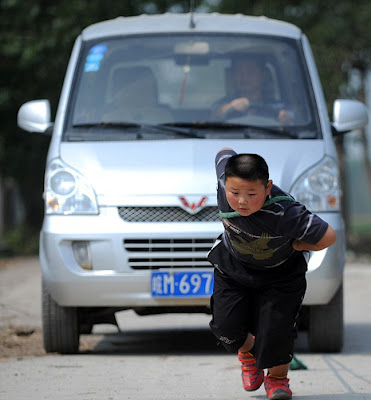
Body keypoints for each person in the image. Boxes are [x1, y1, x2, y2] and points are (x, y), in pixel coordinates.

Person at [208, 148, 336, 399]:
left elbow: (328, 236)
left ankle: (277, 379)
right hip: (233, 267)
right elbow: (223, 153)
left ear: (268, 188)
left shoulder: (286, 213)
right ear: (225, 183)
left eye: (251, 194)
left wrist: (300, 245)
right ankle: (248, 353)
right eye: (235, 193)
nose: (242, 201)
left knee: (276, 329)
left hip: (281, 275)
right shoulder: (225, 178)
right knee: (226, 328)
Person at [211, 57, 292, 123]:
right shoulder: (223, 104)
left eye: (250, 71)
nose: (244, 76)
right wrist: (230, 107)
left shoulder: (279, 106)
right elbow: (215, 115)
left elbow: (293, 121)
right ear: (233, 76)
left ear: (262, 75)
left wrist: (285, 118)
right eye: (239, 71)